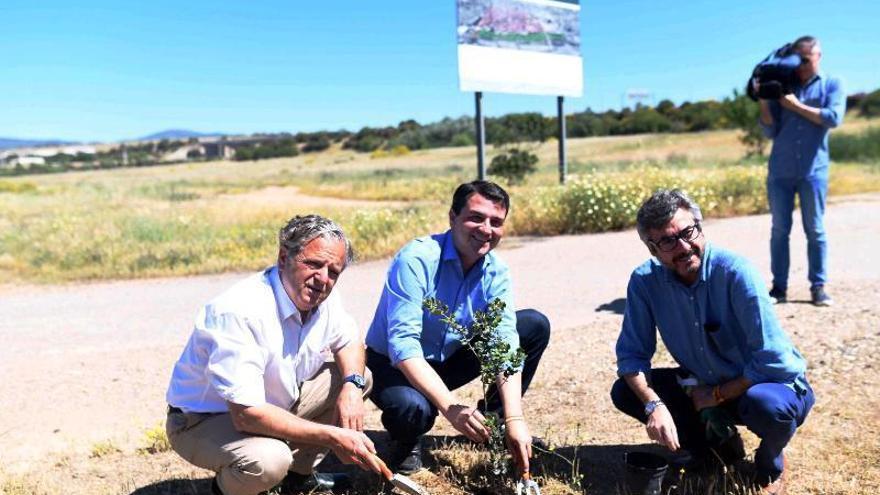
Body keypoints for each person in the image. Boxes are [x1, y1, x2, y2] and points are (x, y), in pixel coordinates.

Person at [610, 189, 815, 495]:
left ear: (700, 227)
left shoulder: (736, 272)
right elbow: (631, 356)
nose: (683, 247)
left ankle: (769, 459)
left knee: (768, 407)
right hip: (703, 385)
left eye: (687, 232)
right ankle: (714, 449)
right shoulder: (644, 282)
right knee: (627, 391)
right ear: (653, 249)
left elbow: (774, 359)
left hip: (765, 385)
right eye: (667, 241)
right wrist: (654, 405)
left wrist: (717, 395)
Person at [165, 215, 385, 495]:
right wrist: (333, 436)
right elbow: (246, 415)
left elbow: (350, 340)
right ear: (284, 258)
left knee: (358, 377)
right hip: (203, 420)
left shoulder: (322, 295)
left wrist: (351, 387)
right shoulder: (240, 311)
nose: (323, 279)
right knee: (270, 460)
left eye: (334, 271)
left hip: (271, 404)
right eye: (314, 264)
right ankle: (228, 490)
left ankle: (296, 480)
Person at [364, 180, 550, 476]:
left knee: (532, 325)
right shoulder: (417, 258)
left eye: (496, 222)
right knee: (414, 408)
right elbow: (403, 346)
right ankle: (405, 441)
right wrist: (451, 408)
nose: (486, 229)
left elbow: (505, 343)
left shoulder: (496, 271)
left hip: (446, 360)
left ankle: (492, 426)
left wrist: (515, 418)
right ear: (453, 217)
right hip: (392, 365)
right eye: (476, 217)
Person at [758, 35, 846, 306]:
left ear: (819, 56)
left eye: (807, 60)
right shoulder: (783, 86)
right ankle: (779, 288)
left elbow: (833, 118)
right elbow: (769, 130)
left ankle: (818, 287)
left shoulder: (832, 84)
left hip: (813, 170)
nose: (802, 65)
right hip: (780, 171)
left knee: (815, 230)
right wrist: (764, 100)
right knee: (779, 230)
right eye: (798, 60)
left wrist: (795, 106)